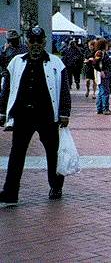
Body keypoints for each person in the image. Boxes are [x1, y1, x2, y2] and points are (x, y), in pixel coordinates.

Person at [0, 27, 71, 207]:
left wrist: (64, 112)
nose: (36, 44)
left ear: (45, 41)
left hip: (47, 115)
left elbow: (64, 90)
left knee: (53, 153)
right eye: (32, 41)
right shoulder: (16, 62)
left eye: (39, 41)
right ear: (28, 42)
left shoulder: (56, 63)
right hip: (23, 115)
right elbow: (7, 89)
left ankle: (56, 186)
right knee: (16, 154)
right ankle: (10, 192)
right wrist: (2, 111)